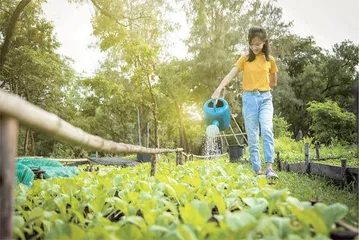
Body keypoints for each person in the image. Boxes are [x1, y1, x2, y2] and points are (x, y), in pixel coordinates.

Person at [211, 26, 278, 179]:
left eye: (258, 44)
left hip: (265, 98)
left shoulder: (270, 60)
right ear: (249, 43)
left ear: (264, 43)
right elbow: (231, 74)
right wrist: (219, 89)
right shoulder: (245, 59)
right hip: (249, 100)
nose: (255, 47)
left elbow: (273, 82)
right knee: (253, 135)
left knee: (267, 129)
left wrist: (262, 85)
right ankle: (257, 170)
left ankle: (269, 168)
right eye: (252, 44)